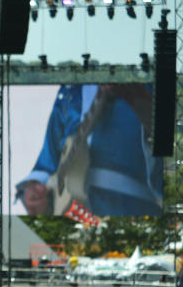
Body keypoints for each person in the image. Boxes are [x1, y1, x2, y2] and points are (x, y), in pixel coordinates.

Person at [16, 83, 161, 218]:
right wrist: (35, 192)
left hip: (132, 213)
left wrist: (141, 101)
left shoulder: (150, 82)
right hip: (73, 223)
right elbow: (48, 165)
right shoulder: (70, 91)